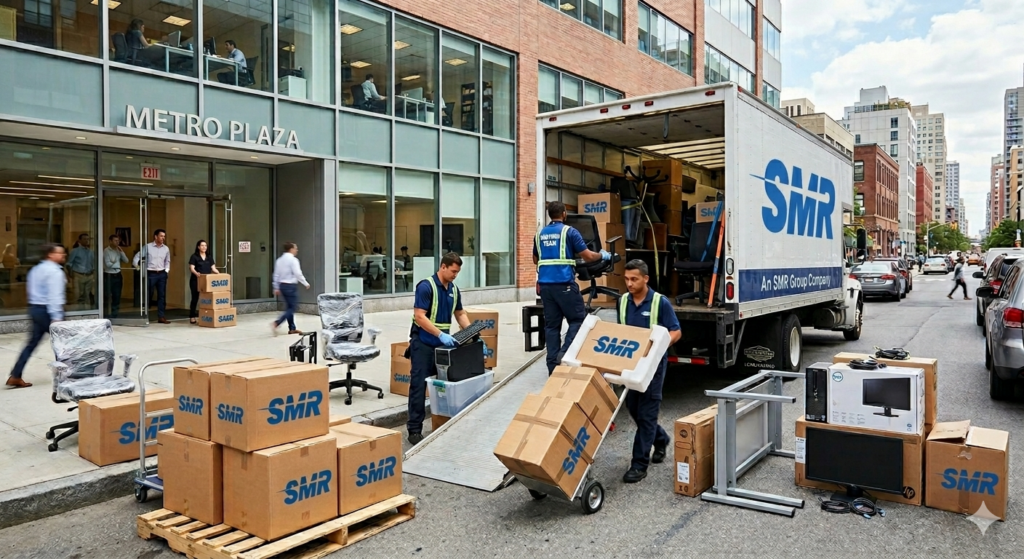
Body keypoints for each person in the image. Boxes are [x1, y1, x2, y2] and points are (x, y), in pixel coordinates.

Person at [617, 259, 682, 483]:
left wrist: (656, 349)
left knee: (646, 414)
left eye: (634, 279)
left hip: (653, 367)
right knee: (633, 408)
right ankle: (661, 438)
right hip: (631, 365)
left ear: (646, 279)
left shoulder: (659, 303)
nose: (629, 284)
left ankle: (638, 464)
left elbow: (676, 331)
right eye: (626, 279)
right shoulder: (623, 301)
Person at [533, 201, 610, 375]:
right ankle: (565, 354)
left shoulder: (539, 235)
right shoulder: (570, 232)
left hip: (545, 287)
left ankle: (552, 366)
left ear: (549, 215)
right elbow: (589, 256)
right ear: (564, 213)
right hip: (564, 285)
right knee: (578, 320)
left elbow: (535, 259)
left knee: (552, 327)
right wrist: (603, 255)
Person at [407, 252, 471, 445]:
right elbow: (420, 316)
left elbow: (460, 313)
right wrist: (440, 334)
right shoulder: (426, 286)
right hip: (424, 344)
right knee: (419, 386)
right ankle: (414, 430)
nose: (455, 275)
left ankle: (442, 424)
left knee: (443, 388)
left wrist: (474, 335)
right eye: (453, 271)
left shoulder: (453, 289)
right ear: (443, 266)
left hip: (443, 346)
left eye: (457, 272)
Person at [7, 244, 67, 388]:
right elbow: (54, 296)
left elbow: (31, 291)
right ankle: (69, 375)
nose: (63, 255)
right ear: (51, 255)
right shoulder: (55, 272)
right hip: (48, 311)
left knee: (32, 343)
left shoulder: (35, 270)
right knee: (64, 344)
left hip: (35, 309)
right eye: (60, 253)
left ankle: (15, 375)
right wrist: (56, 317)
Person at [271, 242, 310, 335]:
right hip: (290, 286)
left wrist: (276, 287)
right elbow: (298, 273)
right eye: (296, 248)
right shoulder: (293, 260)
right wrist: (305, 283)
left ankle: (292, 328)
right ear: (291, 249)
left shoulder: (279, 260)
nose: (297, 250)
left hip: (282, 286)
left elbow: (276, 274)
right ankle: (277, 322)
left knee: (289, 307)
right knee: (293, 307)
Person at [134, 229, 171, 324]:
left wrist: (166, 270)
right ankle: (145, 316)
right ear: (156, 236)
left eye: (164, 236)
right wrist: (137, 266)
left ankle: (161, 316)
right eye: (161, 236)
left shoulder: (166, 248)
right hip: (150, 273)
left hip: (162, 274)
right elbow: (138, 256)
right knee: (148, 294)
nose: (163, 238)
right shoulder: (148, 247)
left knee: (161, 296)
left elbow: (167, 261)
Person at [188, 240, 219, 324]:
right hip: (196, 280)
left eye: (205, 245)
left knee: (206, 299)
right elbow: (192, 268)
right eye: (202, 245)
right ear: (198, 247)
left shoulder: (209, 257)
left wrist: (219, 274)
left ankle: (205, 316)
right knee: (195, 298)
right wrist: (196, 273)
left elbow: (213, 268)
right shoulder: (194, 256)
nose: (204, 247)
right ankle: (192, 316)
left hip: (207, 281)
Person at [66, 233, 95, 307]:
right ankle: (77, 312)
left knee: (87, 295)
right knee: (78, 295)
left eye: (88, 239)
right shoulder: (75, 251)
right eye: (84, 239)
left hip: (89, 275)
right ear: (80, 240)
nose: (87, 241)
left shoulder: (91, 252)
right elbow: (69, 263)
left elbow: (94, 263)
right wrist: (70, 274)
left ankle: (87, 312)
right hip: (79, 275)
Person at [103, 234, 129, 318]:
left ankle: (115, 313)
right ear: (110, 241)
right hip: (109, 275)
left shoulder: (118, 250)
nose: (117, 242)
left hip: (118, 275)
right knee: (107, 295)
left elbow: (126, 260)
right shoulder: (106, 251)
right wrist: (115, 264)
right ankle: (106, 313)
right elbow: (108, 264)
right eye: (115, 240)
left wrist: (122, 252)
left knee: (117, 295)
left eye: (118, 241)